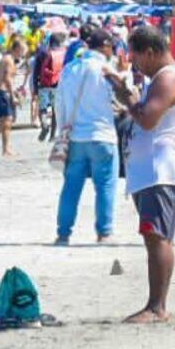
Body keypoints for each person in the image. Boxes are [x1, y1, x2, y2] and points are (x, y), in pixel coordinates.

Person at [109, 26, 175, 323]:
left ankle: (157, 307)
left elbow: (148, 119)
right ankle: (156, 305)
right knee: (155, 236)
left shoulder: (167, 78)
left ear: (151, 52)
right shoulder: (164, 78)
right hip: (154, 170)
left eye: (136, 56)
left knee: (157, 237)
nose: (134, 63)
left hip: (160, 170)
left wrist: (126, 98)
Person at [53, 23, 121, 246]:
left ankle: (63, 234)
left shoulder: (71, 68)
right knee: (106, 185)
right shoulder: (105, 70)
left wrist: (63, 132)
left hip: (75, 137)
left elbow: (60, 104)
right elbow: (119, 99)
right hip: (102, 134)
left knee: (71, 187)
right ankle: (104, 232)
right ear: (105, 47)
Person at [30, 31, 65, 138]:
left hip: (43, 84)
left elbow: (36, 71)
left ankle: (44, 124)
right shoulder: (62, 53)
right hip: (57, 85)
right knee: (55, 109)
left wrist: (35, 87)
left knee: (43, 108)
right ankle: (52, 135)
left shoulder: (42, 52)